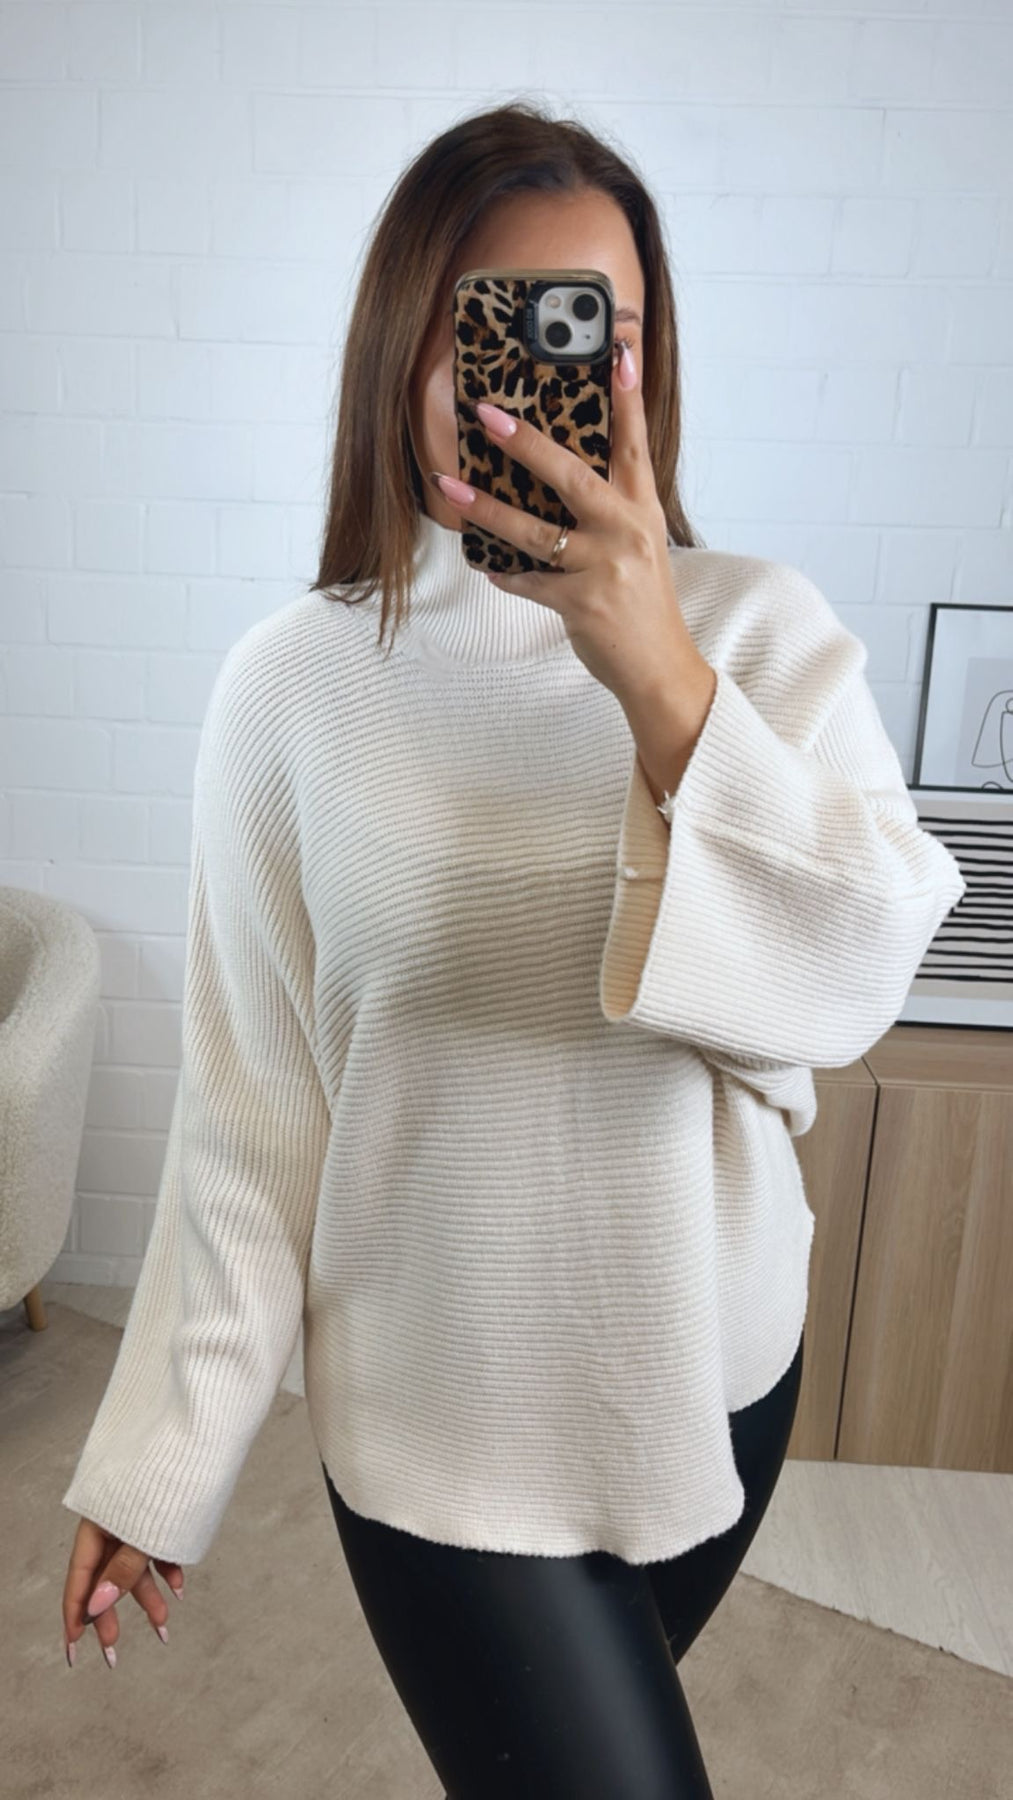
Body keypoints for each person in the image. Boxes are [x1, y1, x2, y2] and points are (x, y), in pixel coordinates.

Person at [61, 101, 965, 1796]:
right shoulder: (292, 687)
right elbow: (253, 1117)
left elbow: (856, 979)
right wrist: (162, 1457)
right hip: (443, 1416)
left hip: (708, 1374)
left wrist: (659, 676)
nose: (561, 374)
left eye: (605, 331)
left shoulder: (757, 629)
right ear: (409, 350)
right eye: (505, 324)